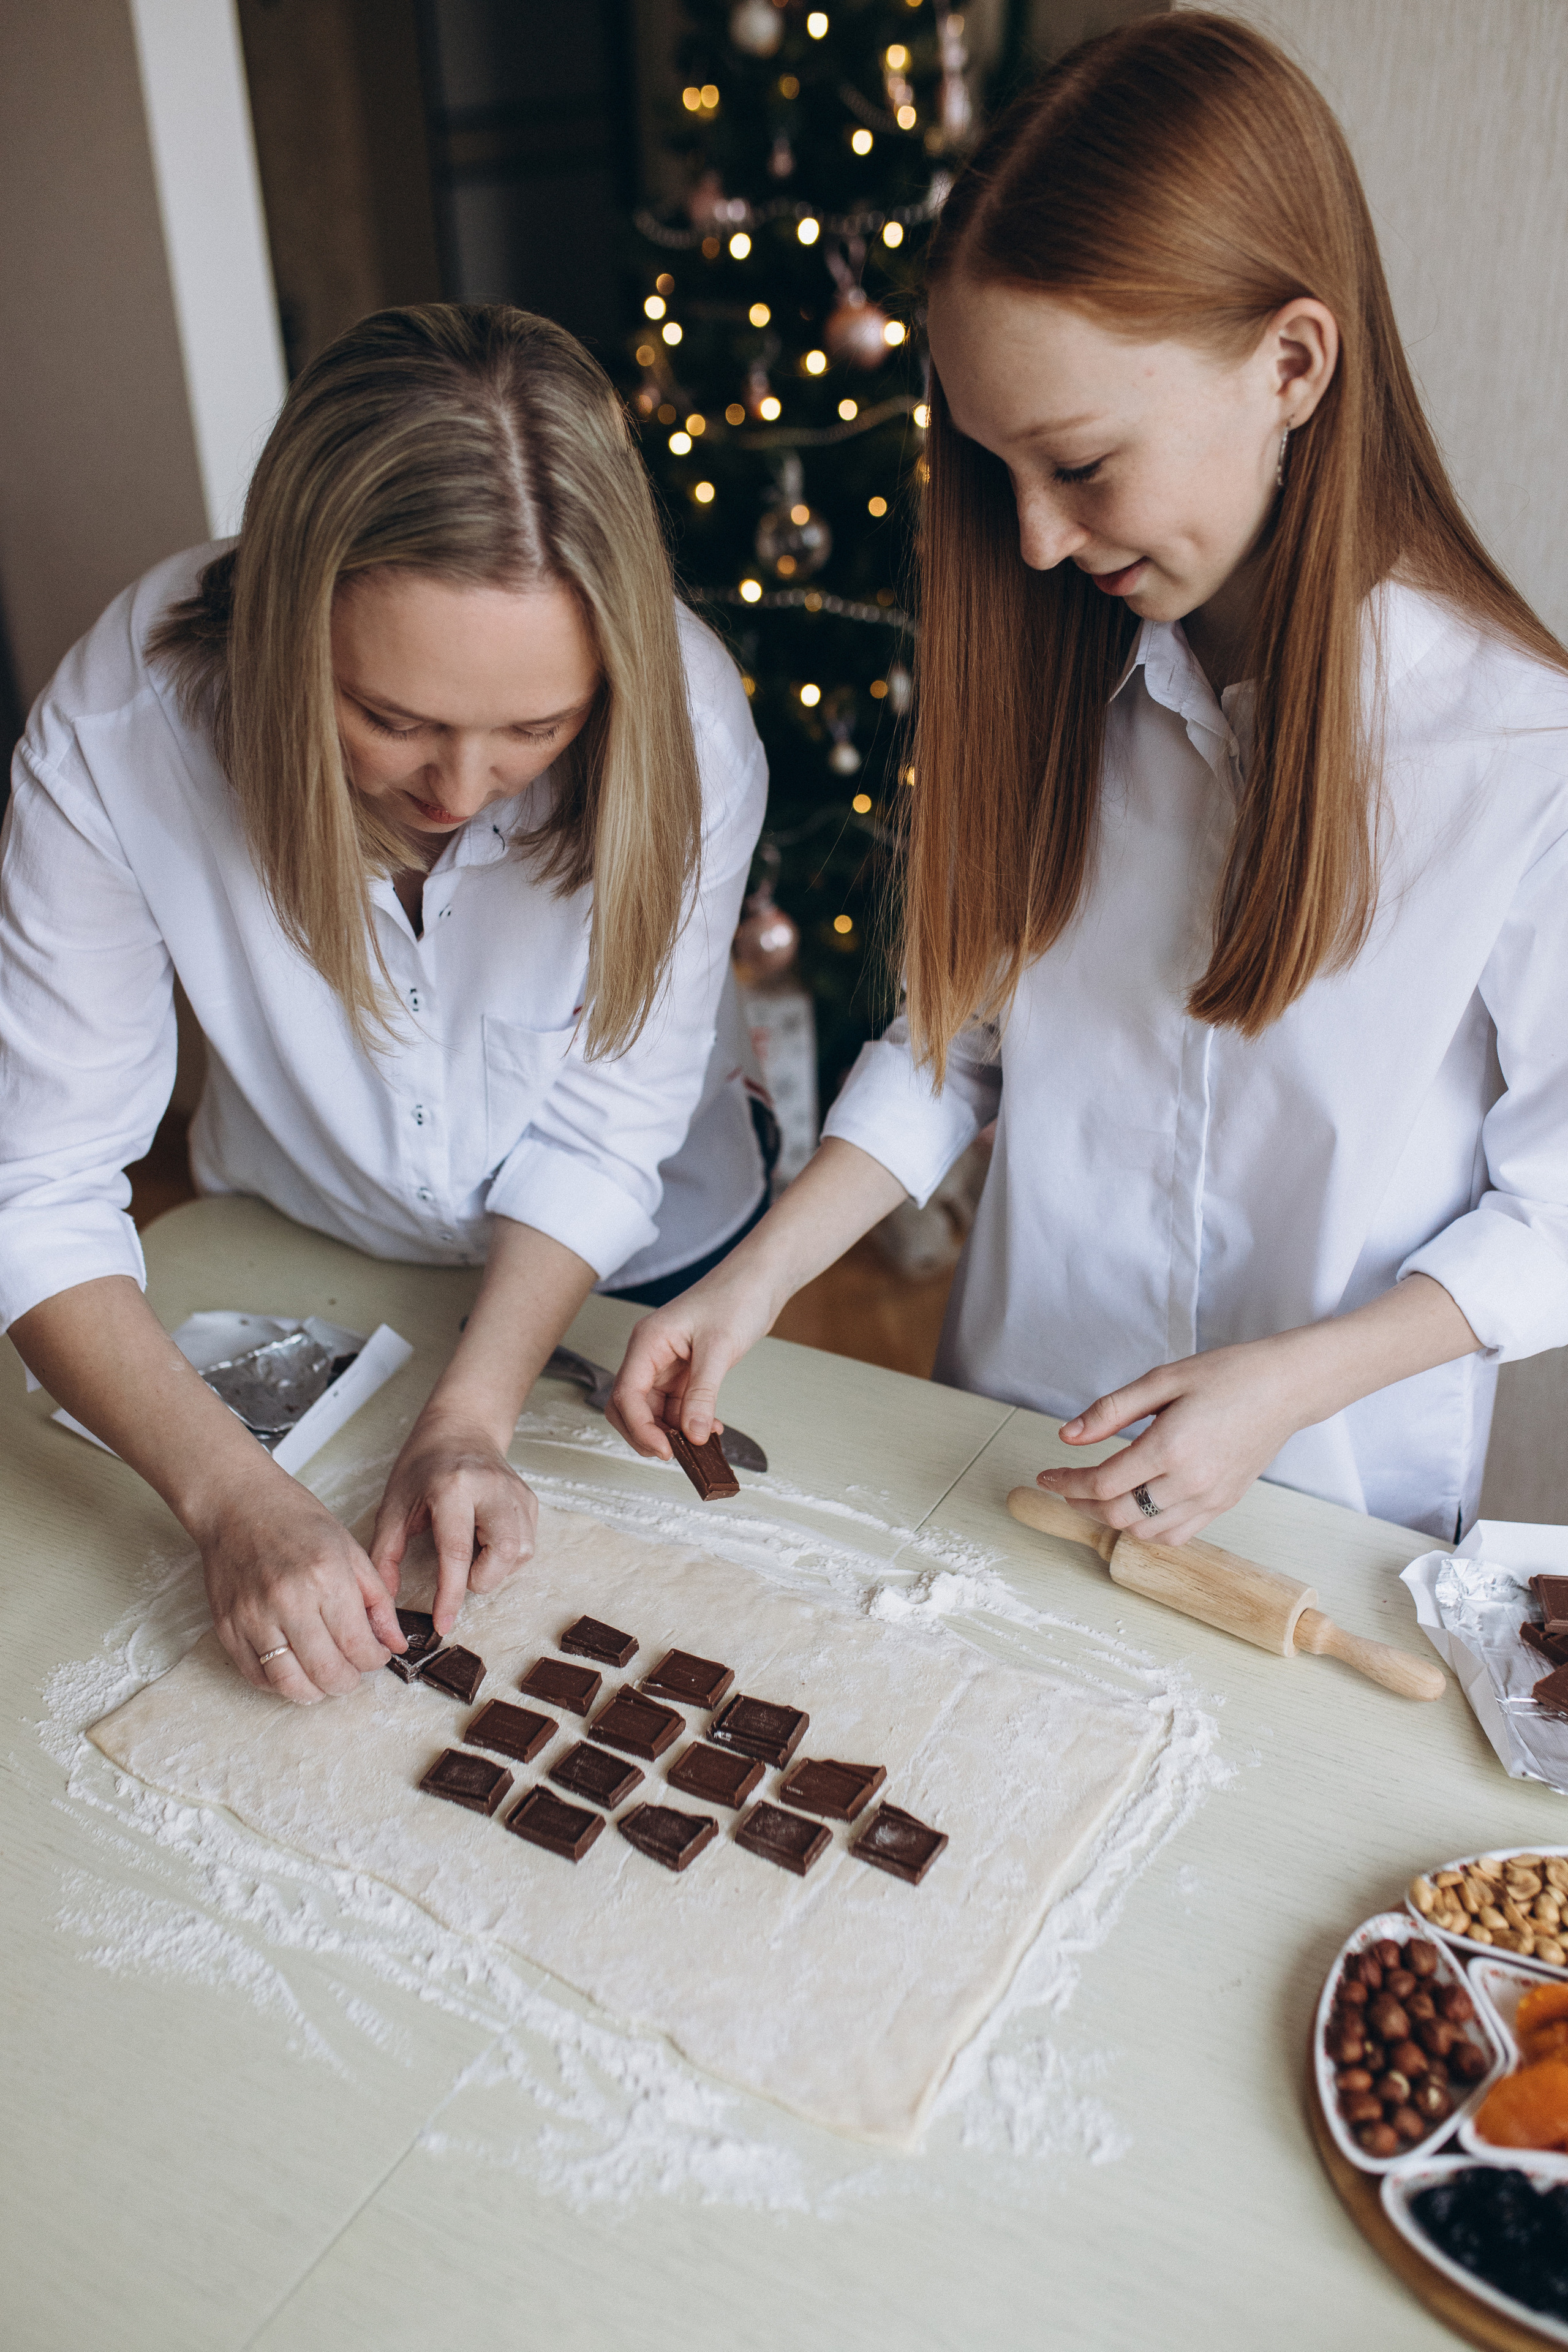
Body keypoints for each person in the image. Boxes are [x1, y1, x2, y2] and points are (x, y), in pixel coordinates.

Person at [609, 14, 1568, 1551]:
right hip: (1003, 1451)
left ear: (1291, 365)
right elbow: (956, 1048)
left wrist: (1282, 1386)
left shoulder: (1520, 762)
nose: (1037, 542)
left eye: (1079, 463)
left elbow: (1555, 1214)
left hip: (1318, 1504)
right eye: (996, 472)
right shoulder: (1068, 673)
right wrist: (756, 1278)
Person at [0, 304, 768, 1702]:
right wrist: (235, 1501)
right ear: (290, 628)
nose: (460, 788)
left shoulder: (693, 729)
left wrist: (472, 1416)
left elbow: (606, 1129)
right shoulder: (125, 725)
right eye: (392, 716)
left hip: (632, 1268)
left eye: (536, 730)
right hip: (300, 1244)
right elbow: (38, 1183)